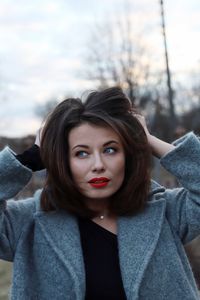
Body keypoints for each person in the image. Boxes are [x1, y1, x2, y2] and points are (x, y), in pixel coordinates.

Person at [0, 87, 200, 300]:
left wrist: (148, 140)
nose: (98, 165)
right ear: (63, 161)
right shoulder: (28, 222)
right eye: (82, 153)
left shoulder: (164, 211)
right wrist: (31, 158)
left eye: (110, 149)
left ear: (127, 155)